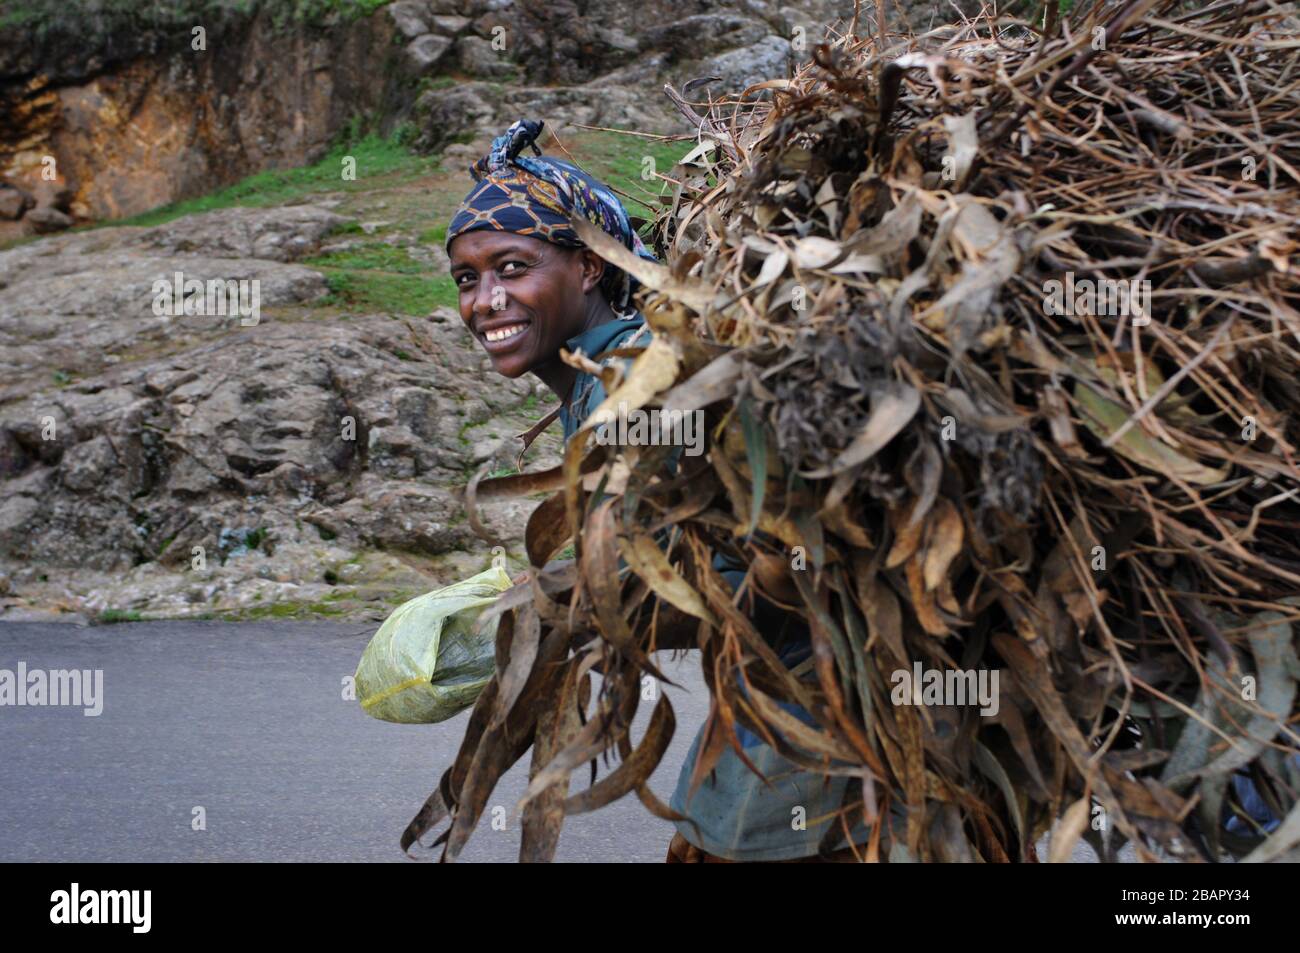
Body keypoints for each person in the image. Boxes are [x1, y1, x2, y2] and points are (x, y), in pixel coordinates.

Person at [445, 118, 872, 862]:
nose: (485, 301)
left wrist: (563, 603)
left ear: (587, 267)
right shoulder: (598, 382)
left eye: (511, 267)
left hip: (838, 699)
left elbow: (760, 570)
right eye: (467, 277)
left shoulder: (649, 380)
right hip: (775, 700)